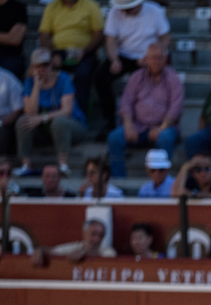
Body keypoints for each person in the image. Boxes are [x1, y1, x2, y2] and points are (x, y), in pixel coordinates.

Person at [106, 42, 182, 178]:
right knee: (114, 138)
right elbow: (126, 103)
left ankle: (163, 181)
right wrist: (128, 125)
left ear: (165, 60)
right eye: (153, 57)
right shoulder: (136, 77)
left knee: (165, 138)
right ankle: (119, 180)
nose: (156, 61)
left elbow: (175, 108)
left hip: (164, 127)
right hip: (138, 127)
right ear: (146, 59)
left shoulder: (173, 78)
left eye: (160, 58)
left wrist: (161, 127)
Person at [94, 0, 170, 133]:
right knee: (101, 77)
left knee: (156, 78)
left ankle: (154, 119)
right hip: (124, 55)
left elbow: (165, 38)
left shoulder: (154, 11)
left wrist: (152, 56)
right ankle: (109, 119)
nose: (125, 10)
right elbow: (110, 41)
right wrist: (114, 59)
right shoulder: (114, 13)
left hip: (149, 55)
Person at [16, 48, 88, 178]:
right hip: (45, 130)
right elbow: (29, 112)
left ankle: (63, 166)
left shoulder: (63, 79)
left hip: (73, 127)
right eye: (38, 66)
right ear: (32, 67)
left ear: (51, 65)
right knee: (23, 121)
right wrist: (37, 85)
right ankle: (25, 166)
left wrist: (42, 118)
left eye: (46, 65)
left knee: (59, 122)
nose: (43, 69)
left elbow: (67, 111)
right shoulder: (29, 82)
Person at [38, 0, 105, 121]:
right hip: (58, 52)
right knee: (41, 70)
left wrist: (85, 51)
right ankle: (45, 115)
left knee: (82, 74)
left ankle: (78, 120)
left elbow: (99, 34)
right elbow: (44, 35)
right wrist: (53, 55)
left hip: (86, 52)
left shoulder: (90, 5)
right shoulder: (52, 7)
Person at [40, 219, 117, 263]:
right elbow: (51, 251)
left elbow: (108, 259)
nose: (97, 239)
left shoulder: (108, 251)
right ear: (84, 233)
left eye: (100, 235)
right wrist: (39, 250)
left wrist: (85, 253)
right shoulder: (75, 246)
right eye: (93, 234)